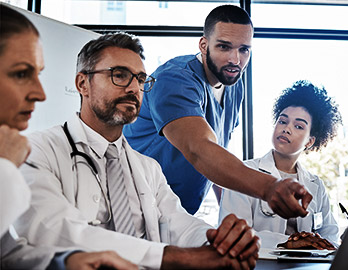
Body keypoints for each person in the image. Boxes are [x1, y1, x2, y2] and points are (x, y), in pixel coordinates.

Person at [15, 31, 259, 269]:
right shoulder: (38, 151)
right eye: (119, 75)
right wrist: (179, 258)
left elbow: (179, 224)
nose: (134, 88)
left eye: (141, 79)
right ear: (83, 83)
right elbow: (53, 230)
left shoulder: (148, 167)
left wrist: (219, 240)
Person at [123, 4, 312, 218]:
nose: (235, 60)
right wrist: (269, 188)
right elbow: (200, 149)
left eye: (244, 49)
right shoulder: (174, 79)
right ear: (204, 45)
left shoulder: (233, 84)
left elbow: (218, 152)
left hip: (176, 214)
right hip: (136, 208)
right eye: (224, 47)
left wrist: (234, 214)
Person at [0, 4, 137, 269]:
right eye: (20, 74)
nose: (40, 94)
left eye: (37, 74)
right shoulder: (31, 151)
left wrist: (67, 261)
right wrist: (5, 168)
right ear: (82, 85)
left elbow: (5, 252)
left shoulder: (146, 166)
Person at [219, 81, 342, 248]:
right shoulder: (244, 172)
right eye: (282, 121)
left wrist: (318, 244)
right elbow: (234, 235)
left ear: (310, 141)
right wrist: (288, 243)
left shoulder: (316, 185)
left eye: (298, 126)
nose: (286, 129)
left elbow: (331, 235)